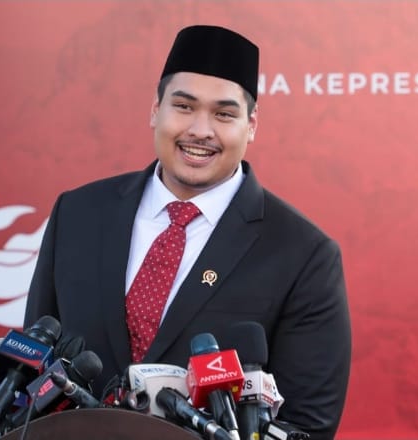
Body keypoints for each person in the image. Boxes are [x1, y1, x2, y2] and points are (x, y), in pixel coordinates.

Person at [24, 24, 351, 439]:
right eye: (183, 106)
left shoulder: (302, 253)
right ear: (155, 109)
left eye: (224, 114)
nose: (200, 130)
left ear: (251, 125)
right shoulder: (79, 213)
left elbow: (307, 425)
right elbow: (31, 373)